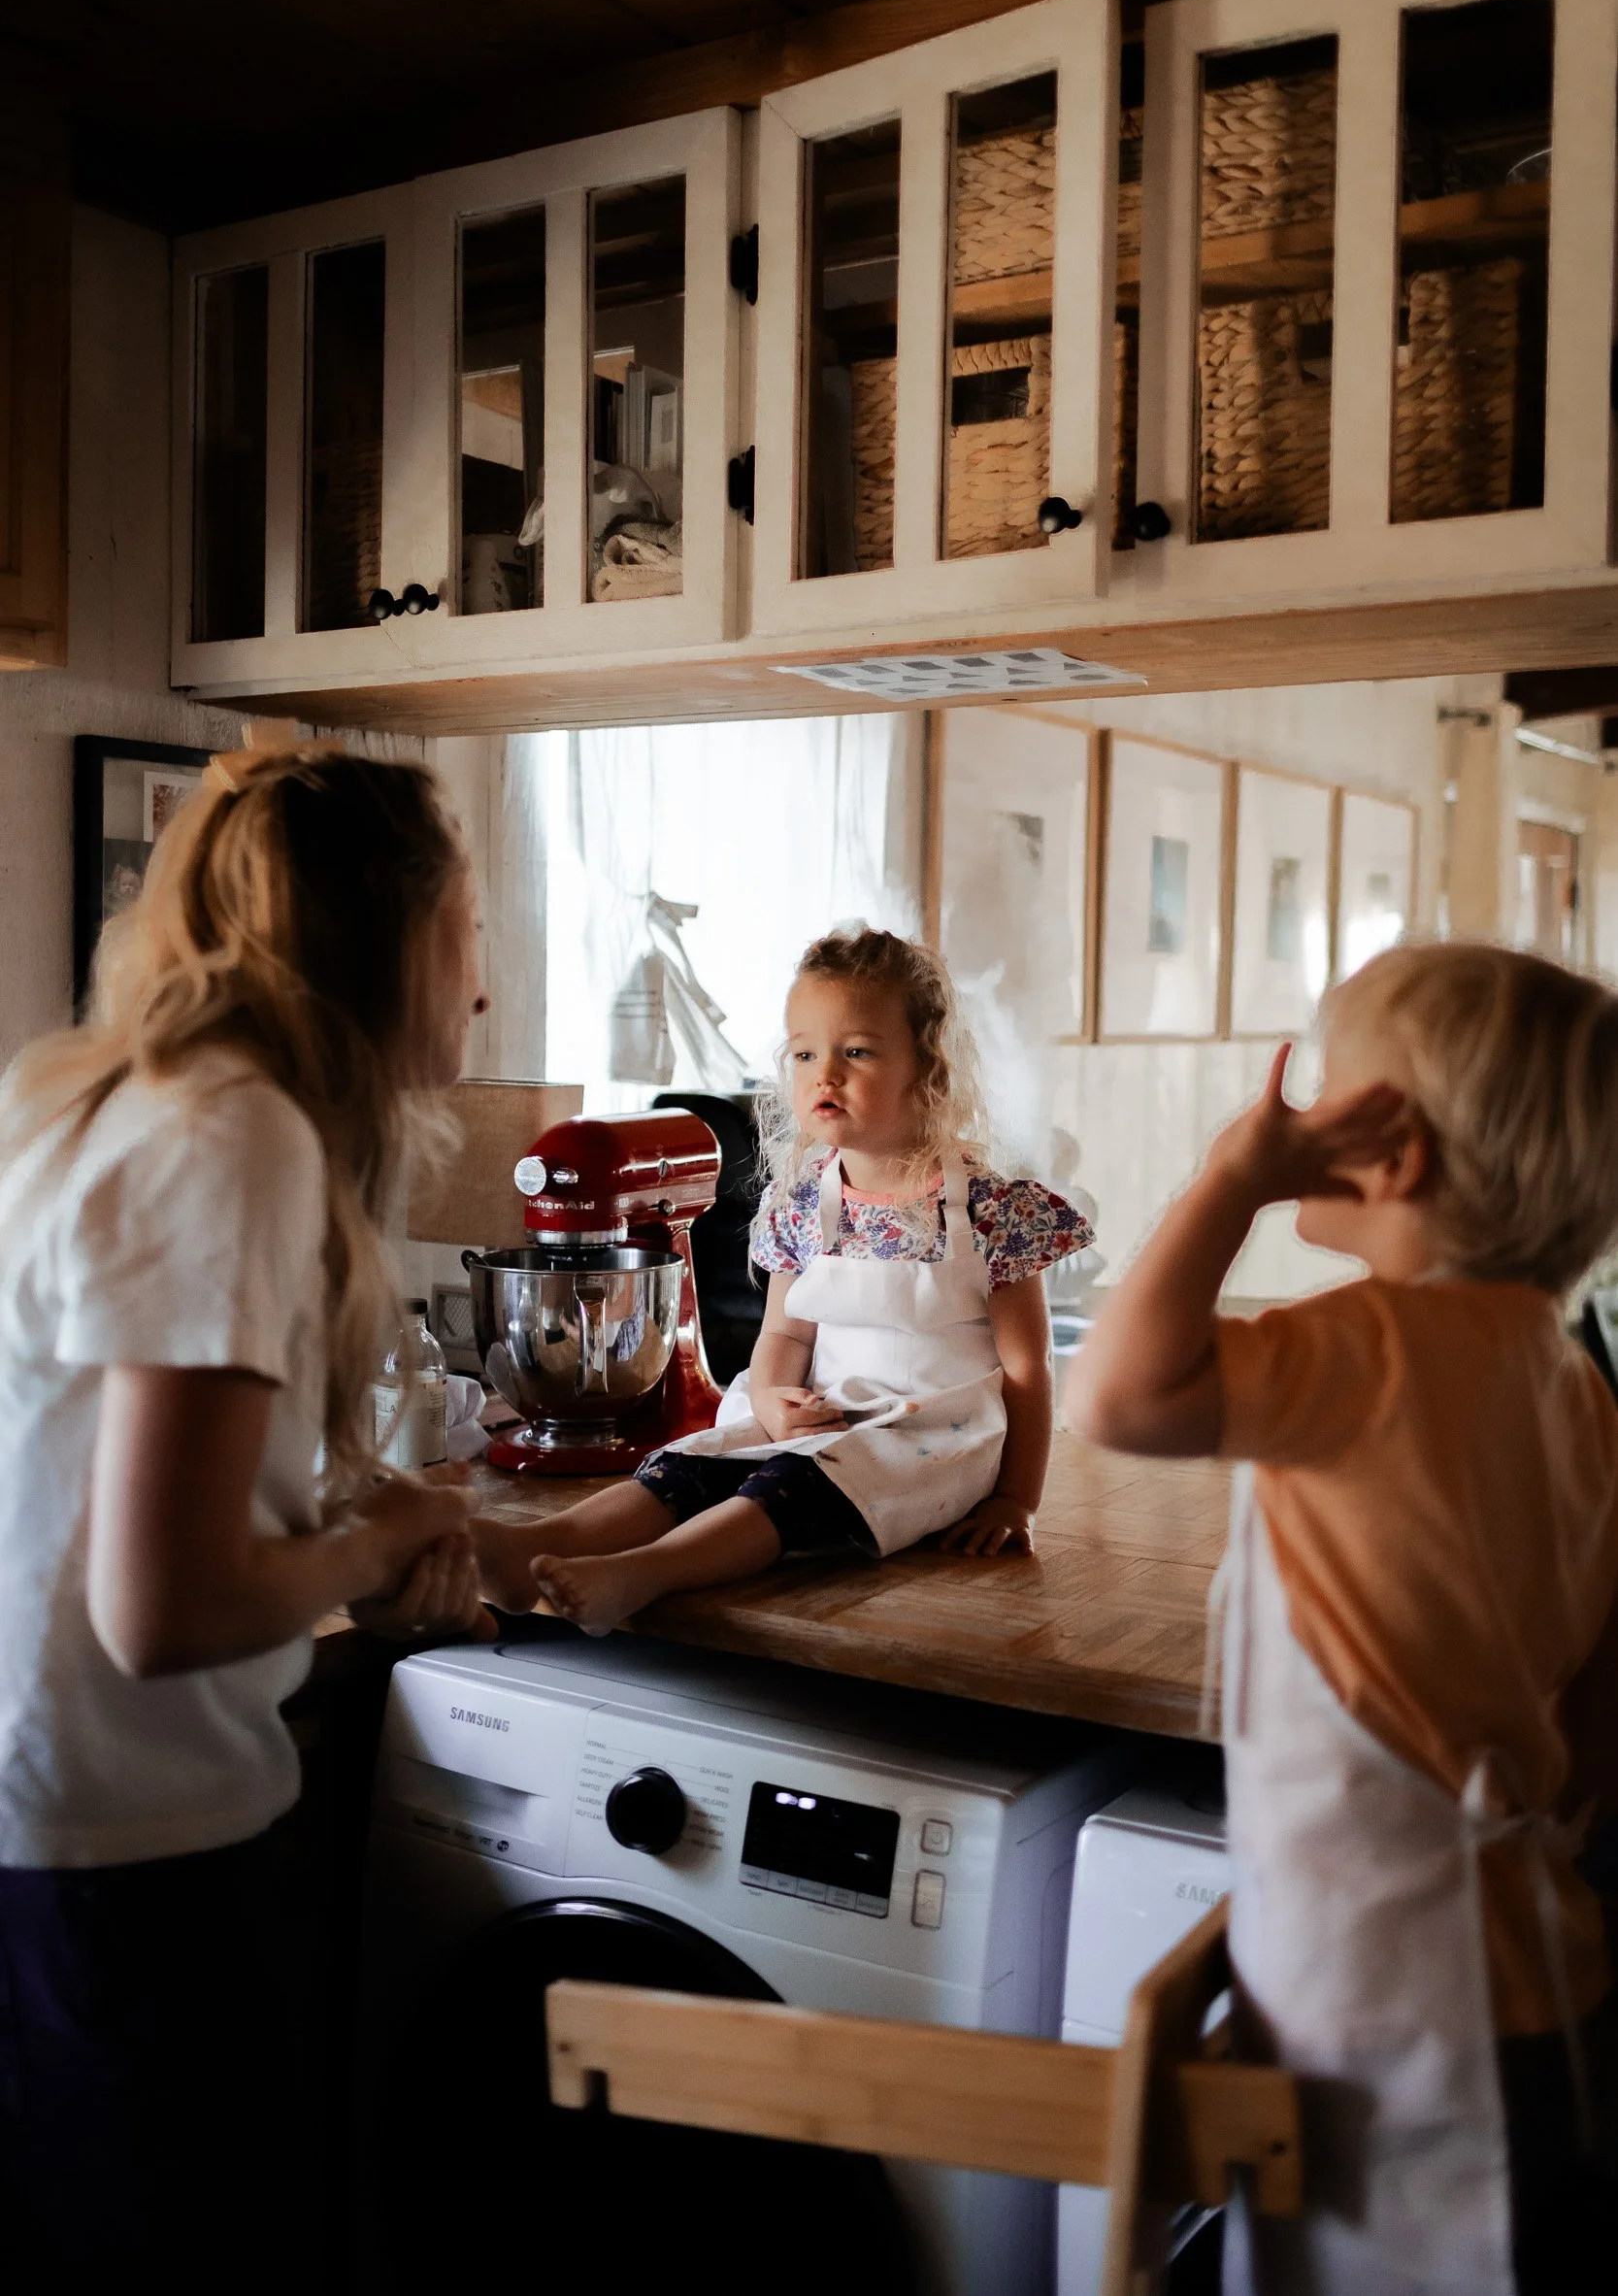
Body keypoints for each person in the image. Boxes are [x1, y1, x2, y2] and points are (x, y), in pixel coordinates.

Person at [0, 742, 494, 2290]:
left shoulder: (102, 1098)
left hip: (46, 1815)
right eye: (466, 939)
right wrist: (362, 1555)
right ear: (386, 939)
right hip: (122, 1850)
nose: (478, 990)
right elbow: (163, 1609)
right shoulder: (239, 1138)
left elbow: (114, 1476)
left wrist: (388, 1521)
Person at [1067, 942, 1618, 2295]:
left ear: (1394, 1157)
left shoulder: (1365, 1348)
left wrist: (1229, 1183)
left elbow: (1118, 1397)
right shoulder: (1569, 1377)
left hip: (1383, 2006)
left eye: (1322, 1094)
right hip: (1535, 1969)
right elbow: (1595, 1700)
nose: (1292, 1114)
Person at [475, 927, 1092, 1633]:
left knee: (790, 1483)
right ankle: (531, 1549)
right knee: (689, 1461)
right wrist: (770, 1400)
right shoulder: (800, 1204)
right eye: (804, 1053)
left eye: (855, 1051)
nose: (823, 1074)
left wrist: (1016, 1501)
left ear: (928, 1068)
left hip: (936, 1440)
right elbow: (783, 1332)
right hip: (828, 1415)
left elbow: (1029, 1372)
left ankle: (642, 1573)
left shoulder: (993, 1212)